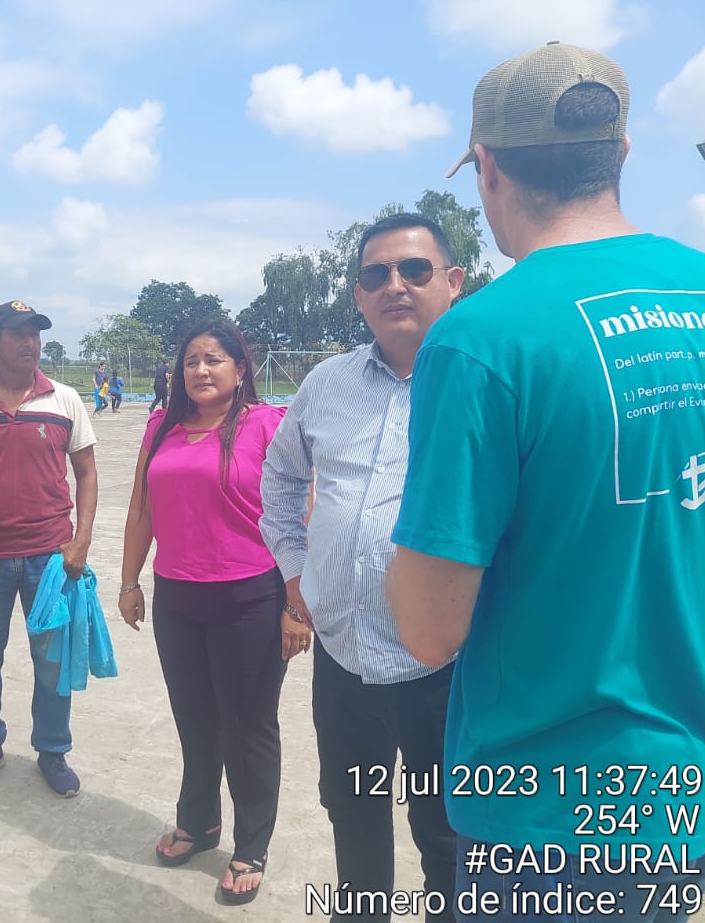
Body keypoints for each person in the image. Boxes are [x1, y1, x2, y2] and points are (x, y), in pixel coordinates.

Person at [387, 42, 705, 921]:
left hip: (553, 816)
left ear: (487, 167)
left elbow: (428, 630)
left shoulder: (482, 338)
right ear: (623, 151)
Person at [259, 213, 464, 923]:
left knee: (447, 831)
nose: (394, 285)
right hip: (344, 657)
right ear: (358, 295)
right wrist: (295, 574)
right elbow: (281, 479)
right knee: (354, 814)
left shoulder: (482, 378)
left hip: (446, 666)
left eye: (415, 269)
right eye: (376, 274)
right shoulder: (326, 383)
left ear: (453, 282)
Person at [118, 317, 292, 905]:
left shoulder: (268, 424)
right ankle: (199, 821)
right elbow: (141, 508)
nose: (200, 370)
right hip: (178, 597)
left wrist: (297, 606)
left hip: (250, 598)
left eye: (213, 359)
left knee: (248, 726)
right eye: (190, 360)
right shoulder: (160, 428)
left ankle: (252, 844)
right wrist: (129, 581)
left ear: (240, 369)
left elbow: (299, 514)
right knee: (194, 720)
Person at [0, 300, 98, 797]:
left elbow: (87, 473)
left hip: (51, 557)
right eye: (17, 333)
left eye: (35, 333)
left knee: (50, 661)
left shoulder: (64, 400)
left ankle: (52, 750)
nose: (30, 342)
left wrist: (81, 540)